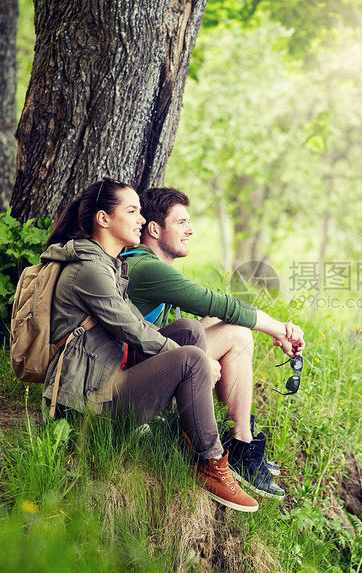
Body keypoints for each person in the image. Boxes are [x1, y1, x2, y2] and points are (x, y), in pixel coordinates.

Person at [40, 177, 258, 512]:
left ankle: (189, 434)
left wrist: (190, 352)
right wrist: (199, 362)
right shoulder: (90, 270)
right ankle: (213, 463)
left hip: (104, 382)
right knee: (191, 358)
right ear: (104, 219)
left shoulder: (109, 265)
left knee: (188, 331)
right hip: (86, 410)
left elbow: (141, 325)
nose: (141, 220)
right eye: (132, 211)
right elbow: (134, 330)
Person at [123, 186, 306, 499]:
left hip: (139, 366)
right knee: (237, 332)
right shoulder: (147, 268)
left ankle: (237, 440)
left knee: (215, 326)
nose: (190, 229)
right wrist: (278, 330)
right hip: (129, 385)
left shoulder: (142, 263)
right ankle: (241, 445)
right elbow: (217, 302)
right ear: (155, 229)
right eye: (181, 222)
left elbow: (213, 313)